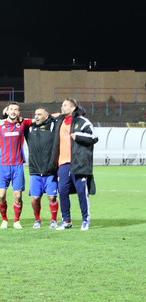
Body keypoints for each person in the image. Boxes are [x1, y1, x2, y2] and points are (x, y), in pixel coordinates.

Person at [52, 98, 97, 231]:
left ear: (73, 108)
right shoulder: (59, 121)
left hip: (78, 163)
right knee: (63, 192)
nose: (62, 107)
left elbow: (94, 137)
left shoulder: (82, 121)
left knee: (82, 192)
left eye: (65, 105)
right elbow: (46, 117)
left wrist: (78, 135)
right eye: (62, 105)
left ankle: (85, 220)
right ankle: (66, 220)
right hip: (62, 164)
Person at [0, 102, 32, 229]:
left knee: (18, 196)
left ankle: (16, 221)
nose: (13, 112)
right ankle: (4, 219)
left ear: (19, 112)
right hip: (3, 165)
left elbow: (38, 119)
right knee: (1, 195)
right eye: (11, 109)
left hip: (17, 165)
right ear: (6, 111)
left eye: (16, 110)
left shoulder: (23, 123)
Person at [24, 107, 60, 229]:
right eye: (35, 114)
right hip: (35, 170)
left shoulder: (52, 127)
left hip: (50, 170)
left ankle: (53, 220)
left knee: (52, 197)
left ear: (46, 116)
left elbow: (61, 116)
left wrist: (51, 116)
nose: (36, 116)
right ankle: (37, 220)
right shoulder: (29, 128)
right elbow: (16, 122)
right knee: (35, 198)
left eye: (39, 114)